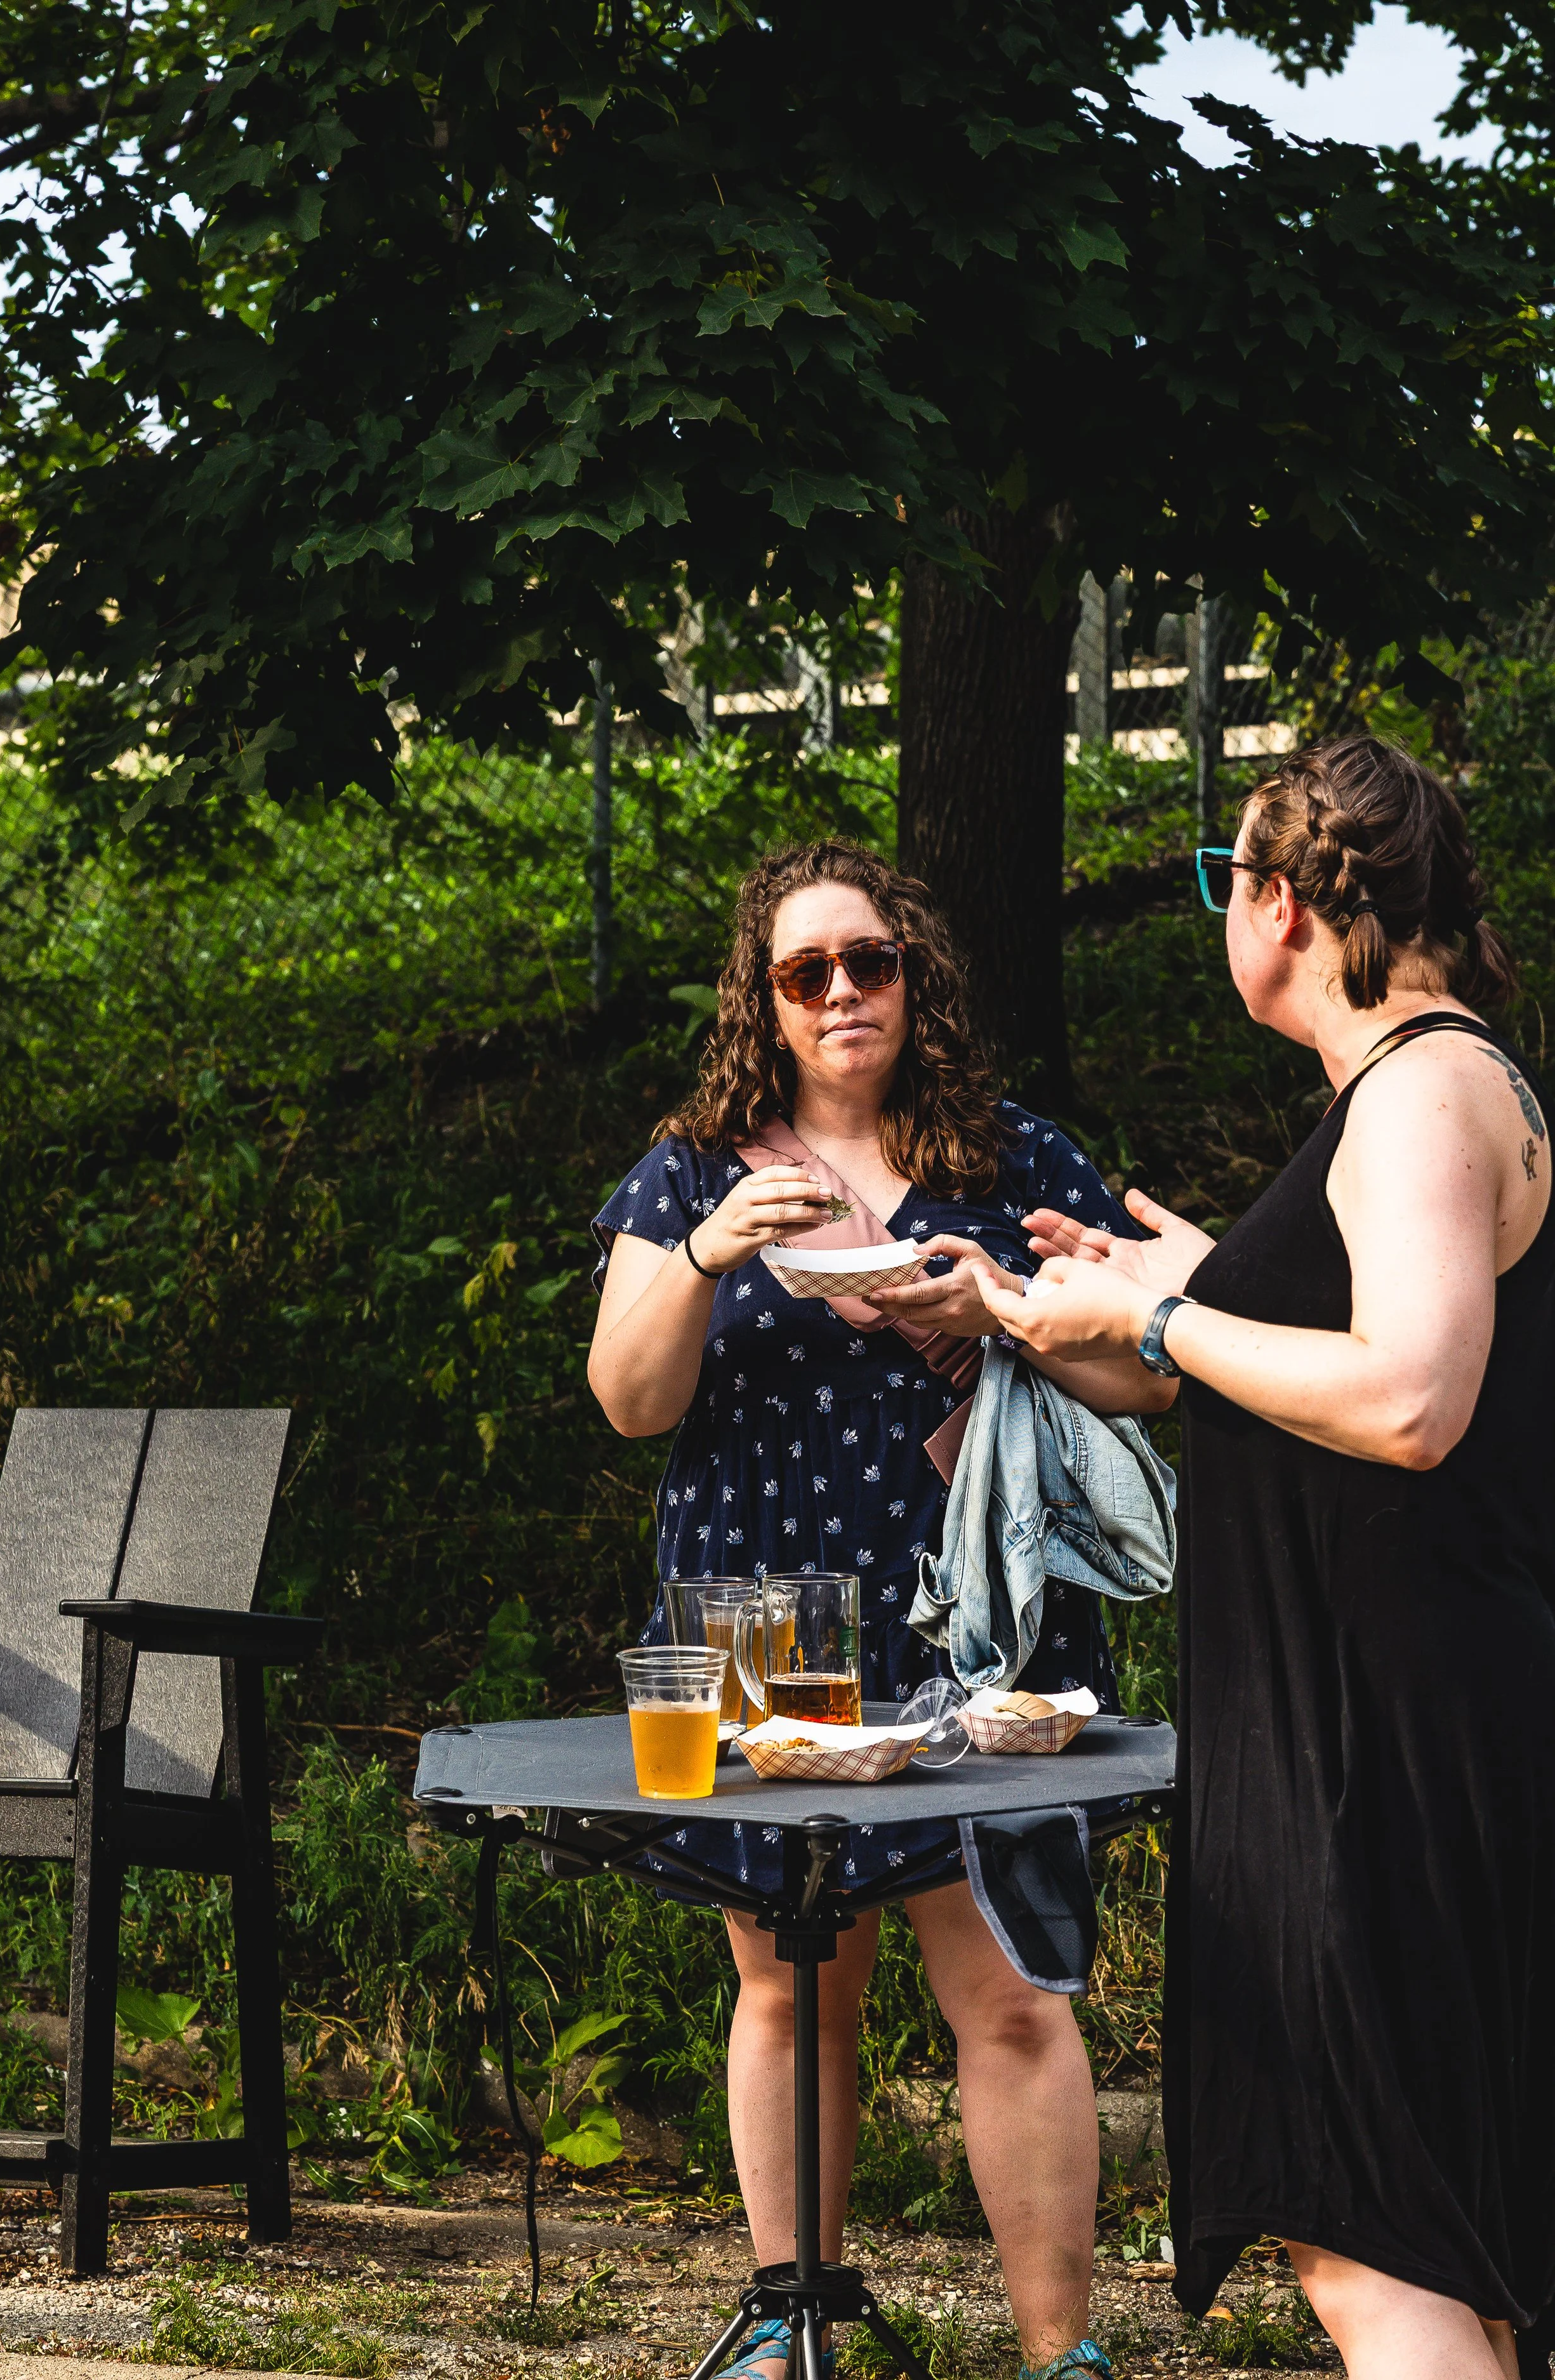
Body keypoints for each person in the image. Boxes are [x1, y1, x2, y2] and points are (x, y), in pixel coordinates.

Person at [960, 737, 1555, 2380]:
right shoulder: (1409, 1094)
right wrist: (1090, 1307)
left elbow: (1413, 1396)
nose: (1224, 910)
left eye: (1226, 879)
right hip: (1364, 1725)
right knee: (1412, 2228)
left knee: (1378, 2235)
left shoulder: (1423, 1088)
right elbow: (1253, 1369)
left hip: (1383, 1744)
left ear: (1283, 902)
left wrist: (1162, 1307)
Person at [587, 840, 1175, 2380]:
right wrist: (709, 1257)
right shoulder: (693, 1168)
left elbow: (1142, 1372)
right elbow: (629, 1401)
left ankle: (1063, 2355)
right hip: (760, 1616)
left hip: (982, 1623)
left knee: (1013, 1998)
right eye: (806, 973)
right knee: (792, 1991)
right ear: (763, 1003)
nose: (842, 991)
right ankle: (787, 2324)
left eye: (869, 963)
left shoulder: (1012, 1157)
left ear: (913, 978)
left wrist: (994, 1308)